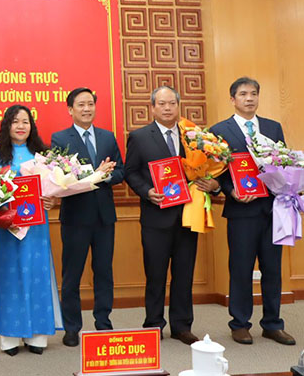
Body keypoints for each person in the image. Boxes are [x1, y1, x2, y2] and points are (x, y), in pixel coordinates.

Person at [124, 85, 214, 345]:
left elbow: (204, 169)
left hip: (188, 215)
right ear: (152, 107)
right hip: (155, 216)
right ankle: (153, 324)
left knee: (184, 273)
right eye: (161, 104)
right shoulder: (140, 137)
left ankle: (182, 326)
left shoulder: (193, 136)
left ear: (178, 106)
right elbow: (131, 172)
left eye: (171, 103)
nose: (167, 108)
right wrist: (147, 191)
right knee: (155, 274)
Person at [209, 77, 296, 346]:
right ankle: (240, 324)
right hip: (241, 210)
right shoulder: (219, 130)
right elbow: (215, 170)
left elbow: (283, 163)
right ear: (232, 99)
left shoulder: (272, 127)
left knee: (272, 269)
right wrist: (229, 190)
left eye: (254, 94)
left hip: (272, 210)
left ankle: (272, 324)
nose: (250, 98)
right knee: (241, 267)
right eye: (243, 94)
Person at [0, 104, 61, 355]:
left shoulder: (43, 154)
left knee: (37, 275)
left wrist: (53, 199)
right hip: (8, 226)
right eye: (15, 121)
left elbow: (54, 189)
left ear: (32, 126)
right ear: (7, 125)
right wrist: (1, 209)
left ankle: (38, 337)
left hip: (36, 227)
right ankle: (9, 338)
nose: (20, 126)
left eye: (25, 122)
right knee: (10, 277)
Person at [50, 88, 124, 346]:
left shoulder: (107, 136)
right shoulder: (60, 138)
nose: (86, 109)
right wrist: (96, 173)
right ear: (70, 109)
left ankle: (103, 322)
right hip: (75, 217)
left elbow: (120, 170)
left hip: (105, 217)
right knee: (72, 273)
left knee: (104, 271)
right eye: (81, 105)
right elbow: (61, 176)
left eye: (90, 104)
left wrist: (106, 175)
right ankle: (72, 327)